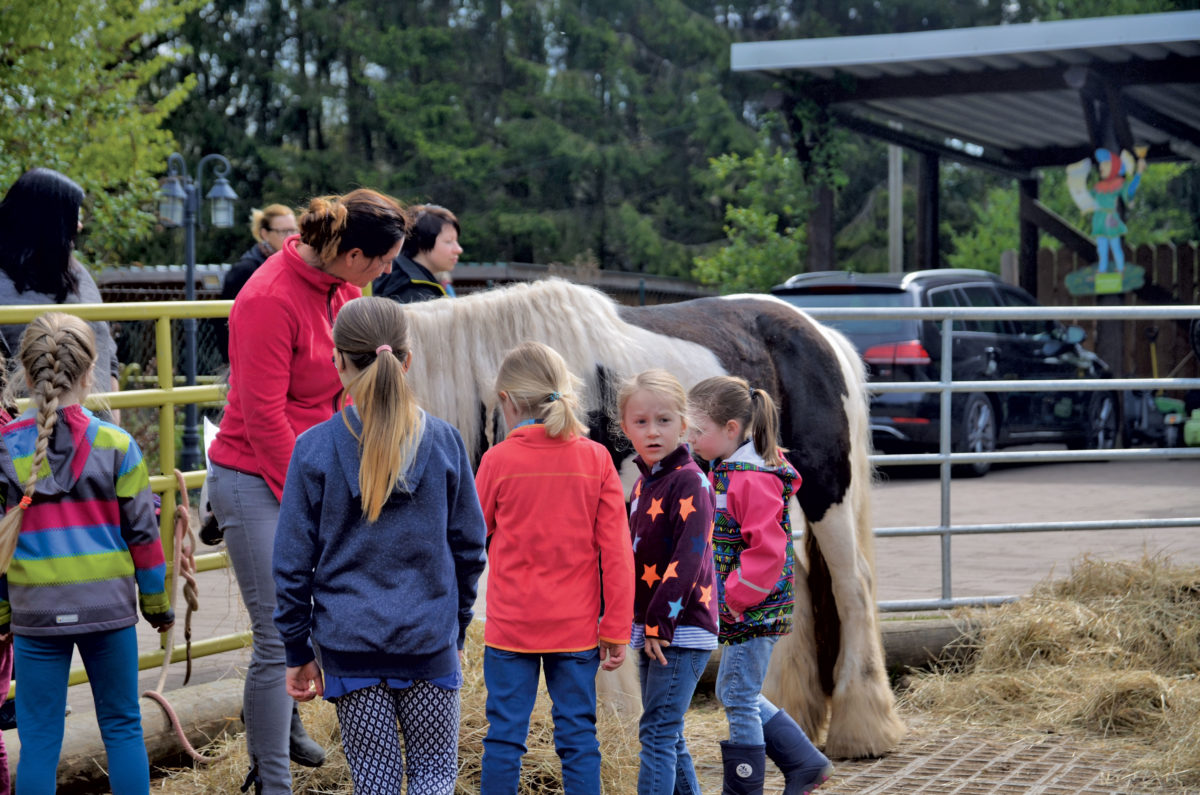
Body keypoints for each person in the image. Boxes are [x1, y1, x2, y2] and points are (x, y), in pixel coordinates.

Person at [206, 188, 407, 793]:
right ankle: (271, 780)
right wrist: (312, 496)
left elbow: (352, 387)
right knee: (277, 631)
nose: (389, 270)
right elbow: (264, 417)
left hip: (318, 468)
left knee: (328, 612)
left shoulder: (348, 292)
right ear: (348, 253)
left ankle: (289, 730)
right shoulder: (267, 299)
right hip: (256, 475)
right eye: (382, 260)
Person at [273, 296, 486, 794]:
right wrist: (454, 627)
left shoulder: (313, 450)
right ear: (406, 361)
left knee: (376, 782)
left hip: (351, 646)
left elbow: (290, 566)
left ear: (337, 362)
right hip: (428, 639)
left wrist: (296, 648)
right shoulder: (447, 443)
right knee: (435, 775)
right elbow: (471, 550)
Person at [0, 312, 174, 794]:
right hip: (108, 612)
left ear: (27, 372)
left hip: (35, 614)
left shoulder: (3, 449)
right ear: (90, 369)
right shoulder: (118, 446)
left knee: (38, 741)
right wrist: (157, 606)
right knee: (122, 727)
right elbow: (144, 537)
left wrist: (1, 612)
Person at [474, 341, 634, 795]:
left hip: (511, 630)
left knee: (503, 739)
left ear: (506, 401)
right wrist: (616, 626)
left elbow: (469, 542)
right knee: (579, 739)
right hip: (577, 629)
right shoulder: (595, 459)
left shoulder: (497, 461)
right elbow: (617, 552)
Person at [687, 375, 832, 795]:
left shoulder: (750, 477)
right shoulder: (731, 468)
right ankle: (805, 762)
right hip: (745, 605)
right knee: (735, 690)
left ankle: (744, 789)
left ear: (731, 430)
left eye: (698, 431)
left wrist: (733, 596)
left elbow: (768, 551)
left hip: (753, 605)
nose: (691, 439)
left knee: (737, 694)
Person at [617, 369, 718, 795]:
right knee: (667, 733)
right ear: (625, 428)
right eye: (641, 422)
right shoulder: (645, 482)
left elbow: (689, 558)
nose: (652, 431)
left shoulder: (690, 481)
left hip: (680, 628)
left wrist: (659, 621)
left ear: (684, 424)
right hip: (656, 628)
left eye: (663, 421)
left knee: (656, 734)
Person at [0, 168, 121, 399]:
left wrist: (114, 412)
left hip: (97, 430)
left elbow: (107, 349)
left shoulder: (76, 272)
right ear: (48, 223)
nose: (79, 226)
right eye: (72, 217)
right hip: (27, 429)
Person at [215, 204, 299, 363]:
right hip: (249, 359)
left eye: (294, 230)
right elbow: (224, 323)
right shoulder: (244, 271)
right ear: (264, 234)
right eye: (284, 232)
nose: (291, 236)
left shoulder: (293, 266)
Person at [372, 204, 461, 303]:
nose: (458, 249)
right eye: (449, 241)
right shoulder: (415, 293)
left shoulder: (397, 273)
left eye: (456, 241)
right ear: (423, 242)